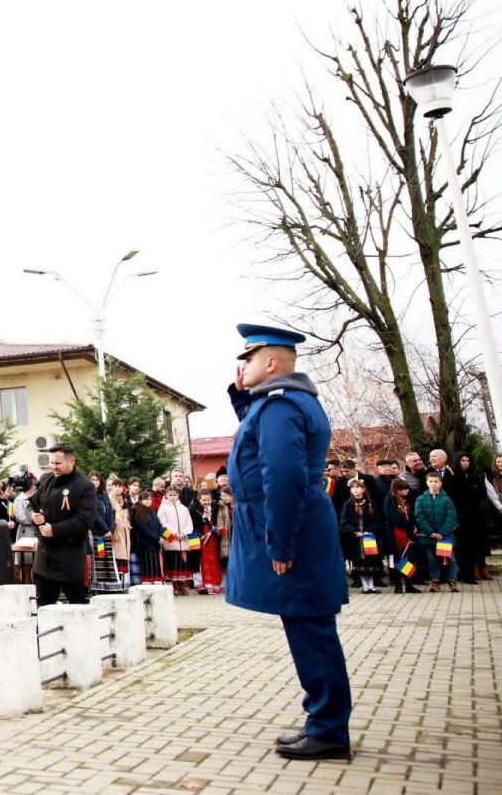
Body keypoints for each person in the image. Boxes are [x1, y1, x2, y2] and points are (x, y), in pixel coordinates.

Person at [223, 323, 352, 761]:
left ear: (272, 363)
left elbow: (284, 477)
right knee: (308, 626)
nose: (243, 365)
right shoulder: (283, 403)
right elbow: (260, 446)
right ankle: (323, 719)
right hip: (300, 526)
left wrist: (279, 544)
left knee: (311, 629)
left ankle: (330, 729)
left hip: (290, 530)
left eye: (249, 358)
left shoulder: (280, 406)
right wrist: (242, 396)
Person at [28, 443, 99, 606]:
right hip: (45, 559)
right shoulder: (46, 480)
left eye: (58, 463)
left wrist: (55, 530)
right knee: (44, 610)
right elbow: (33, 505)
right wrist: (34, 517)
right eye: (51, 462)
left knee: (78, 608)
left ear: (71, 461)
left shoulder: (85, 486)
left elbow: (85, 520)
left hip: (70, 558)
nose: (54, 467)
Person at [413, 471, 459, 593]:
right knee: (432, 560)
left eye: (436, 481)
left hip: (444, 536)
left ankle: (452, 581)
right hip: (429, 537)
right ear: (427, 483)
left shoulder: (447, 499)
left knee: (449, 559)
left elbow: (451, 517)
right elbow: (419, 517)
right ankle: (435, 581)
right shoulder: (421, 499)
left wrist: (442, 532)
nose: (433, 484)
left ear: (441, 483)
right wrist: (430, 532)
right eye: (431, 481)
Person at [338, 479, 383, 594]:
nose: (356, 490)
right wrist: (354, 532)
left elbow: (377, 520)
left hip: (370, 538)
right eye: (353, 488)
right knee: (359, 562)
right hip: (356, 539)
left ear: (363, 489)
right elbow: (344, 523)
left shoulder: (370, 503)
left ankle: (372, 585)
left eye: (358, 487)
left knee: (371, 561)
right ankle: (365, 585)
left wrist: (370, 531)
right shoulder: (348, 505)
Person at [450, 452, 487, 585]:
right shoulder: (453, 475)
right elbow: (457, 493)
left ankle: (472, 571)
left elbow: (482, 492)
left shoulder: (475, 475)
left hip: (475, 515)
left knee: (472, 545)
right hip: (460, 515)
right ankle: (462, 573)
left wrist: (472, 490)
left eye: (467, 460)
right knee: (461, 546)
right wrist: (470, 490)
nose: (465, 463)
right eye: (462, 460)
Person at [382, 477, 420, 593]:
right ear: (398, 490)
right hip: (394, 534)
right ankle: (397, 584)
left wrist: (411, 525)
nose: (407, 491)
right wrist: (405, 522)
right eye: (405, 489)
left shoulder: (405, 501)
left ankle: (409, 583)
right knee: (395, 559)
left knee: (407, 559)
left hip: (406, 534)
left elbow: (410, 515)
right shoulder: (389, 500)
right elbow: (390, 516)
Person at [157, 487, 194, 595]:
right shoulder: (163, 507)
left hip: (183, 539)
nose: (172, 497)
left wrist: (184, 533)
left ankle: (182, 585)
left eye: (175, 495)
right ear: (166, 495)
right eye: (170, 495)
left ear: (178, 495)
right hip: (171, 539)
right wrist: (174, 533)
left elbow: (189, 522)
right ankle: (174, 585)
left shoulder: (183, 508)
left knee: (182, 563)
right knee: (173, 563)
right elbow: (162, 522)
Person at [195, 489, 225, 595]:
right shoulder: (195, 509)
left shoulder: (215, 507)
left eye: (208, 500)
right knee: (206, 560)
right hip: (203, 538)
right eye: (204, 500)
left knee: (215, 560)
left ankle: (217, 584)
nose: (206, 502)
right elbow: (194, 525)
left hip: (214, 537)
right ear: (199, 500)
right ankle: (208, 583)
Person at [10, 477, 39, 584]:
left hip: (38, 534)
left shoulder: (37, 497)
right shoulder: (19, 499)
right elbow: (20, 517)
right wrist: (36, 520)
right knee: (26, 565)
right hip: (26, 534)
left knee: (38, 565)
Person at [130, 499, 165, 584]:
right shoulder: (137, 511)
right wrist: (157, 538)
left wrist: (162, 536)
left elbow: (159, 525)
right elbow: (144, 528)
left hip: (155, 542)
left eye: (149, 499)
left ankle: (156, 580)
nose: (147, 501)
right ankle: (148, 581)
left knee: (155, 563)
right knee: (148, 564)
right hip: (145, 543)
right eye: (144, 499)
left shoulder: (152, 511)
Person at [108, 484, 132, 589]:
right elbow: (113, 516)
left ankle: (122, 585)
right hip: (116, 531)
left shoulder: (123, 499)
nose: (118, 488)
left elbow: (125, 516)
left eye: (119, 486)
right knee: (116, 558)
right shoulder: (110, 499)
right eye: (115, 486)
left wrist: (127, 524)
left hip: (125, 532)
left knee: (123, 558)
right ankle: (115, 585)